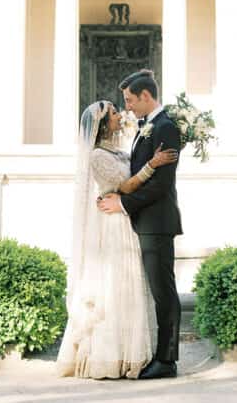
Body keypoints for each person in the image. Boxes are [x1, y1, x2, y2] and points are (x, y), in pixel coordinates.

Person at [56, 100, 178, 380]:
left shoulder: (118, 149)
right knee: (116, 286)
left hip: (126, 220)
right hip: (113, 225)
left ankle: (132, 352)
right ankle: (110, 356)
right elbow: (124, 185)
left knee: (130, 285)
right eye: (113, 112)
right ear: (101, 124)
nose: (119, 114)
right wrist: (153, 164)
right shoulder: (97, 155)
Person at [98, 69, 183, 379]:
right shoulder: (148, 127)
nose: (128, 107)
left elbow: (161, 185)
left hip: (157, 222)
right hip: (146, 221)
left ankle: (166, 361)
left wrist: (122, 204)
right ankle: (161, 356)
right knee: (159, 291)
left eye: (131, 100)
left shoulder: (165, 128)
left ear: (146, 96)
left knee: (164, 292)